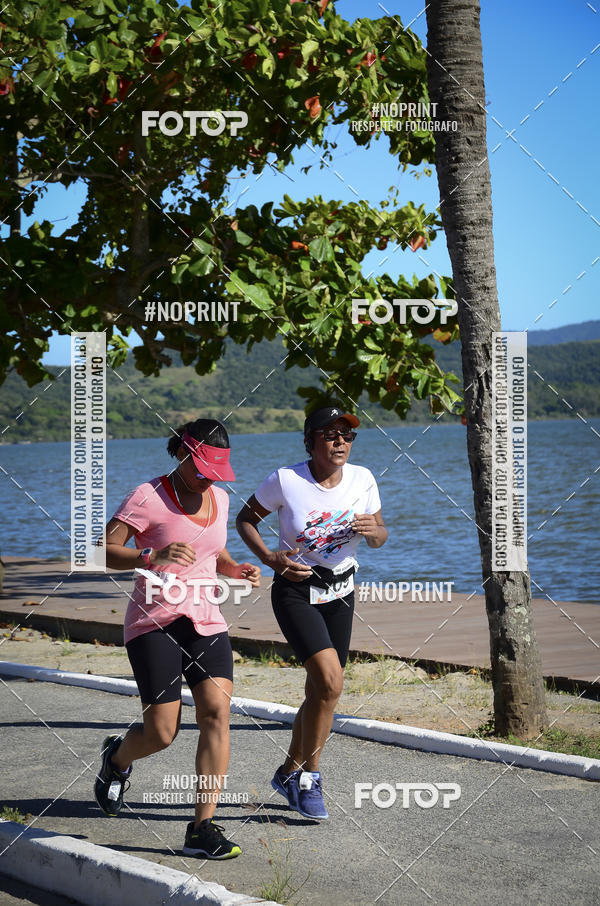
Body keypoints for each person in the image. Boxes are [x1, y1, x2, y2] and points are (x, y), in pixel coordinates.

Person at [94, 418, 260, 859]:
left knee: (216, 714)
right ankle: (117, 759)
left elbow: (211, 549)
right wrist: (150, 555)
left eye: (215, 470)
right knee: (162, 733)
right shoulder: (146, 497)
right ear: (183, 454)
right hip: (154, 623)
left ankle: (201, 829)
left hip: (206, 621)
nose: (208, 477)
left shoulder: (220, 498)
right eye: (202, 466)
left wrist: (234, 568)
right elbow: (102, 551)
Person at [236, 404, 387, 819]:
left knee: (321, 691)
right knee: (331, 682)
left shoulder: (364, 478)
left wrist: (375, 533)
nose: (341, 441)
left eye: (348, 434)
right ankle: (310, 777)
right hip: (296, 591)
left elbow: (380, 534)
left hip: (341, 591)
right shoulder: (286, 479)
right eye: (330, 434)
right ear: (310, 440)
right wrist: (270, 557)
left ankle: (288, 771)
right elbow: (245, 519)